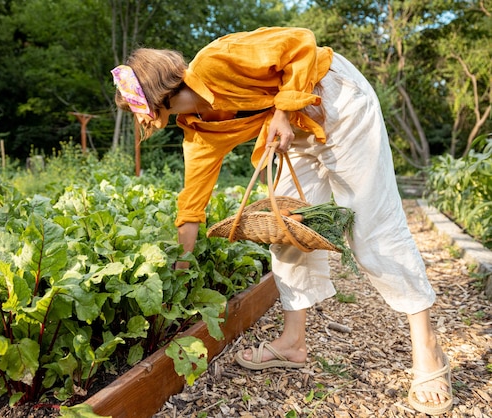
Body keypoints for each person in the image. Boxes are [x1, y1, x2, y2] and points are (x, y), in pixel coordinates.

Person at [111, 27, 452, 416]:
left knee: (372, 224)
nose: (144, 121)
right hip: (291, 128)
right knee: (286, 228)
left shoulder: (216, 60)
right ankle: (293, 342)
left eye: (137, 109)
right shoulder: (199, 130)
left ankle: (427, 350)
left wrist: (283, 111)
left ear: (153, 96)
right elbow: (192, 204)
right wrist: (181, 266)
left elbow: (301, 43)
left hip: (335, 100)